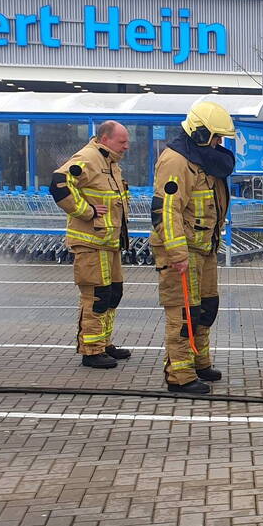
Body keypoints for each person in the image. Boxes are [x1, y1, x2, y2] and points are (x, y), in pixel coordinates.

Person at [149, 101, 235, 395]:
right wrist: (177, 254)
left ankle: (200, 362)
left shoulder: (201, 159)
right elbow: (166, 211)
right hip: (183, 251)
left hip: (204, 247)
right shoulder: (176, 161)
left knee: (205, 307)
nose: (219, 144)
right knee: (184, 313)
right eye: (216, 138)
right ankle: (180, 375)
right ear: (200, 133)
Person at [50, 120, 132, 369]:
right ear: (105, 139)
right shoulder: (87, 158)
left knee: (112, 293)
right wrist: (86, 211)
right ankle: (91, 350)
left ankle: (104, 343)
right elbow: (58, 183)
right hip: (91, 243)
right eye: (122, 142)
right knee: (96, 295)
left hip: (109, 243)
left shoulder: (110, 163)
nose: (126, 146)